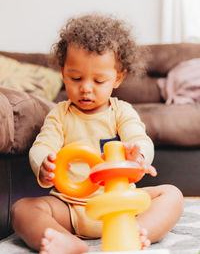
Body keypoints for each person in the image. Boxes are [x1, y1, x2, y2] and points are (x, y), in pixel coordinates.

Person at [11, 13, 184, 254]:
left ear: (118, 78)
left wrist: (138, 155)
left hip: (121, 206)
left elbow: (139, 138)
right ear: (63, 72)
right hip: (71, 208)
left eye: (99, 80)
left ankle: (134, 232)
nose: (86, 88)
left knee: (172, 195)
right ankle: (65, 242)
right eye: (76, 77)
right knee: (21, 209)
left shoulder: (121, 111)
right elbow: (42, 145)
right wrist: (44, 163)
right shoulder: (60, 114)